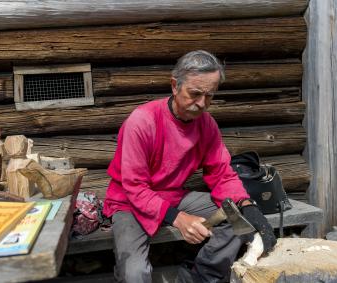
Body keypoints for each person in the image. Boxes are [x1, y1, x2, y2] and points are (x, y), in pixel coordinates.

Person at [103, 50, 276, 283]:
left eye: (209, 96)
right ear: (175, 86)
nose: (202, 104)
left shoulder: (207, 125)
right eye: (195, 93)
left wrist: (247, 205)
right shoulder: (142, 121)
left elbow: (221, 174)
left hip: (172, 196)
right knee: (134, 274)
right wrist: (178, 218)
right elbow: (134, 187)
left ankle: (200, 274)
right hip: (129, 202)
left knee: (237, 221)